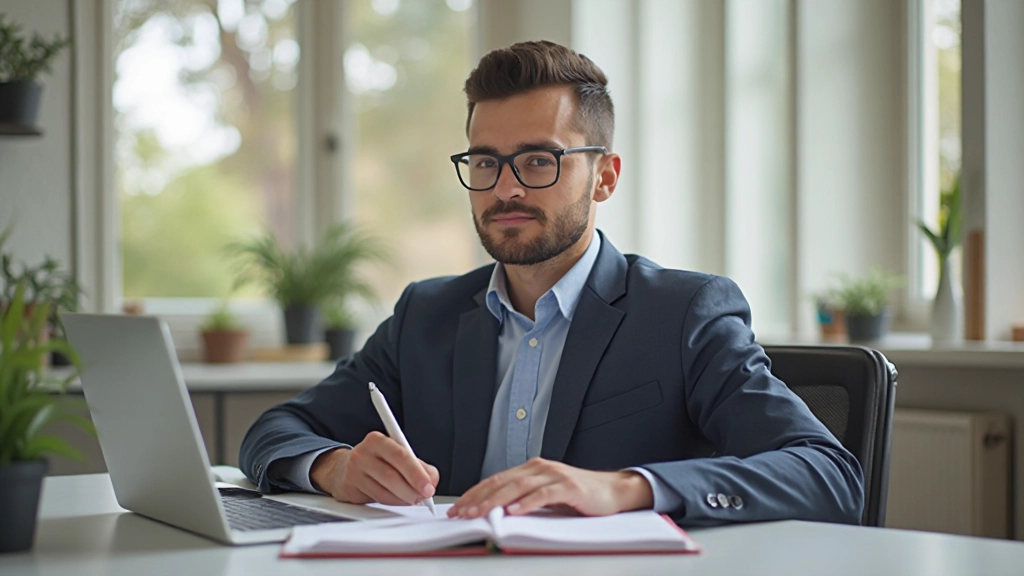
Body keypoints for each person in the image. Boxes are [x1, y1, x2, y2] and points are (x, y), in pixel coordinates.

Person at [240, 40, 863, 526]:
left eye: (539, 160)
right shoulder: (425, 314)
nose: (505, 187)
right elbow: (274, 431)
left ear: (605, 177)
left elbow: (828, 476)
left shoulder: (684, 314)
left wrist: (627, 488)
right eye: (485, 162)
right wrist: (332, 467)